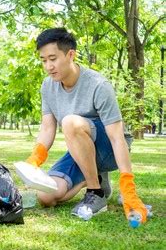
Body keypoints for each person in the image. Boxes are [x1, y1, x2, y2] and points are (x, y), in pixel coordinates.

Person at [26, 28, 148, 223]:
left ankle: (95, 192)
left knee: (70, 122)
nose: (48, 66)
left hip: (109, 150)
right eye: (43, 60)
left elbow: (117, 137)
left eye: (53, 58)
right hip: (80, 149)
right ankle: (95, 180)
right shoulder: (48, 86)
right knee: (46, 196)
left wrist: (128, 187)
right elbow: (48, 128)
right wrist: (35, 159)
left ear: (70, 54)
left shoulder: (98, 85)